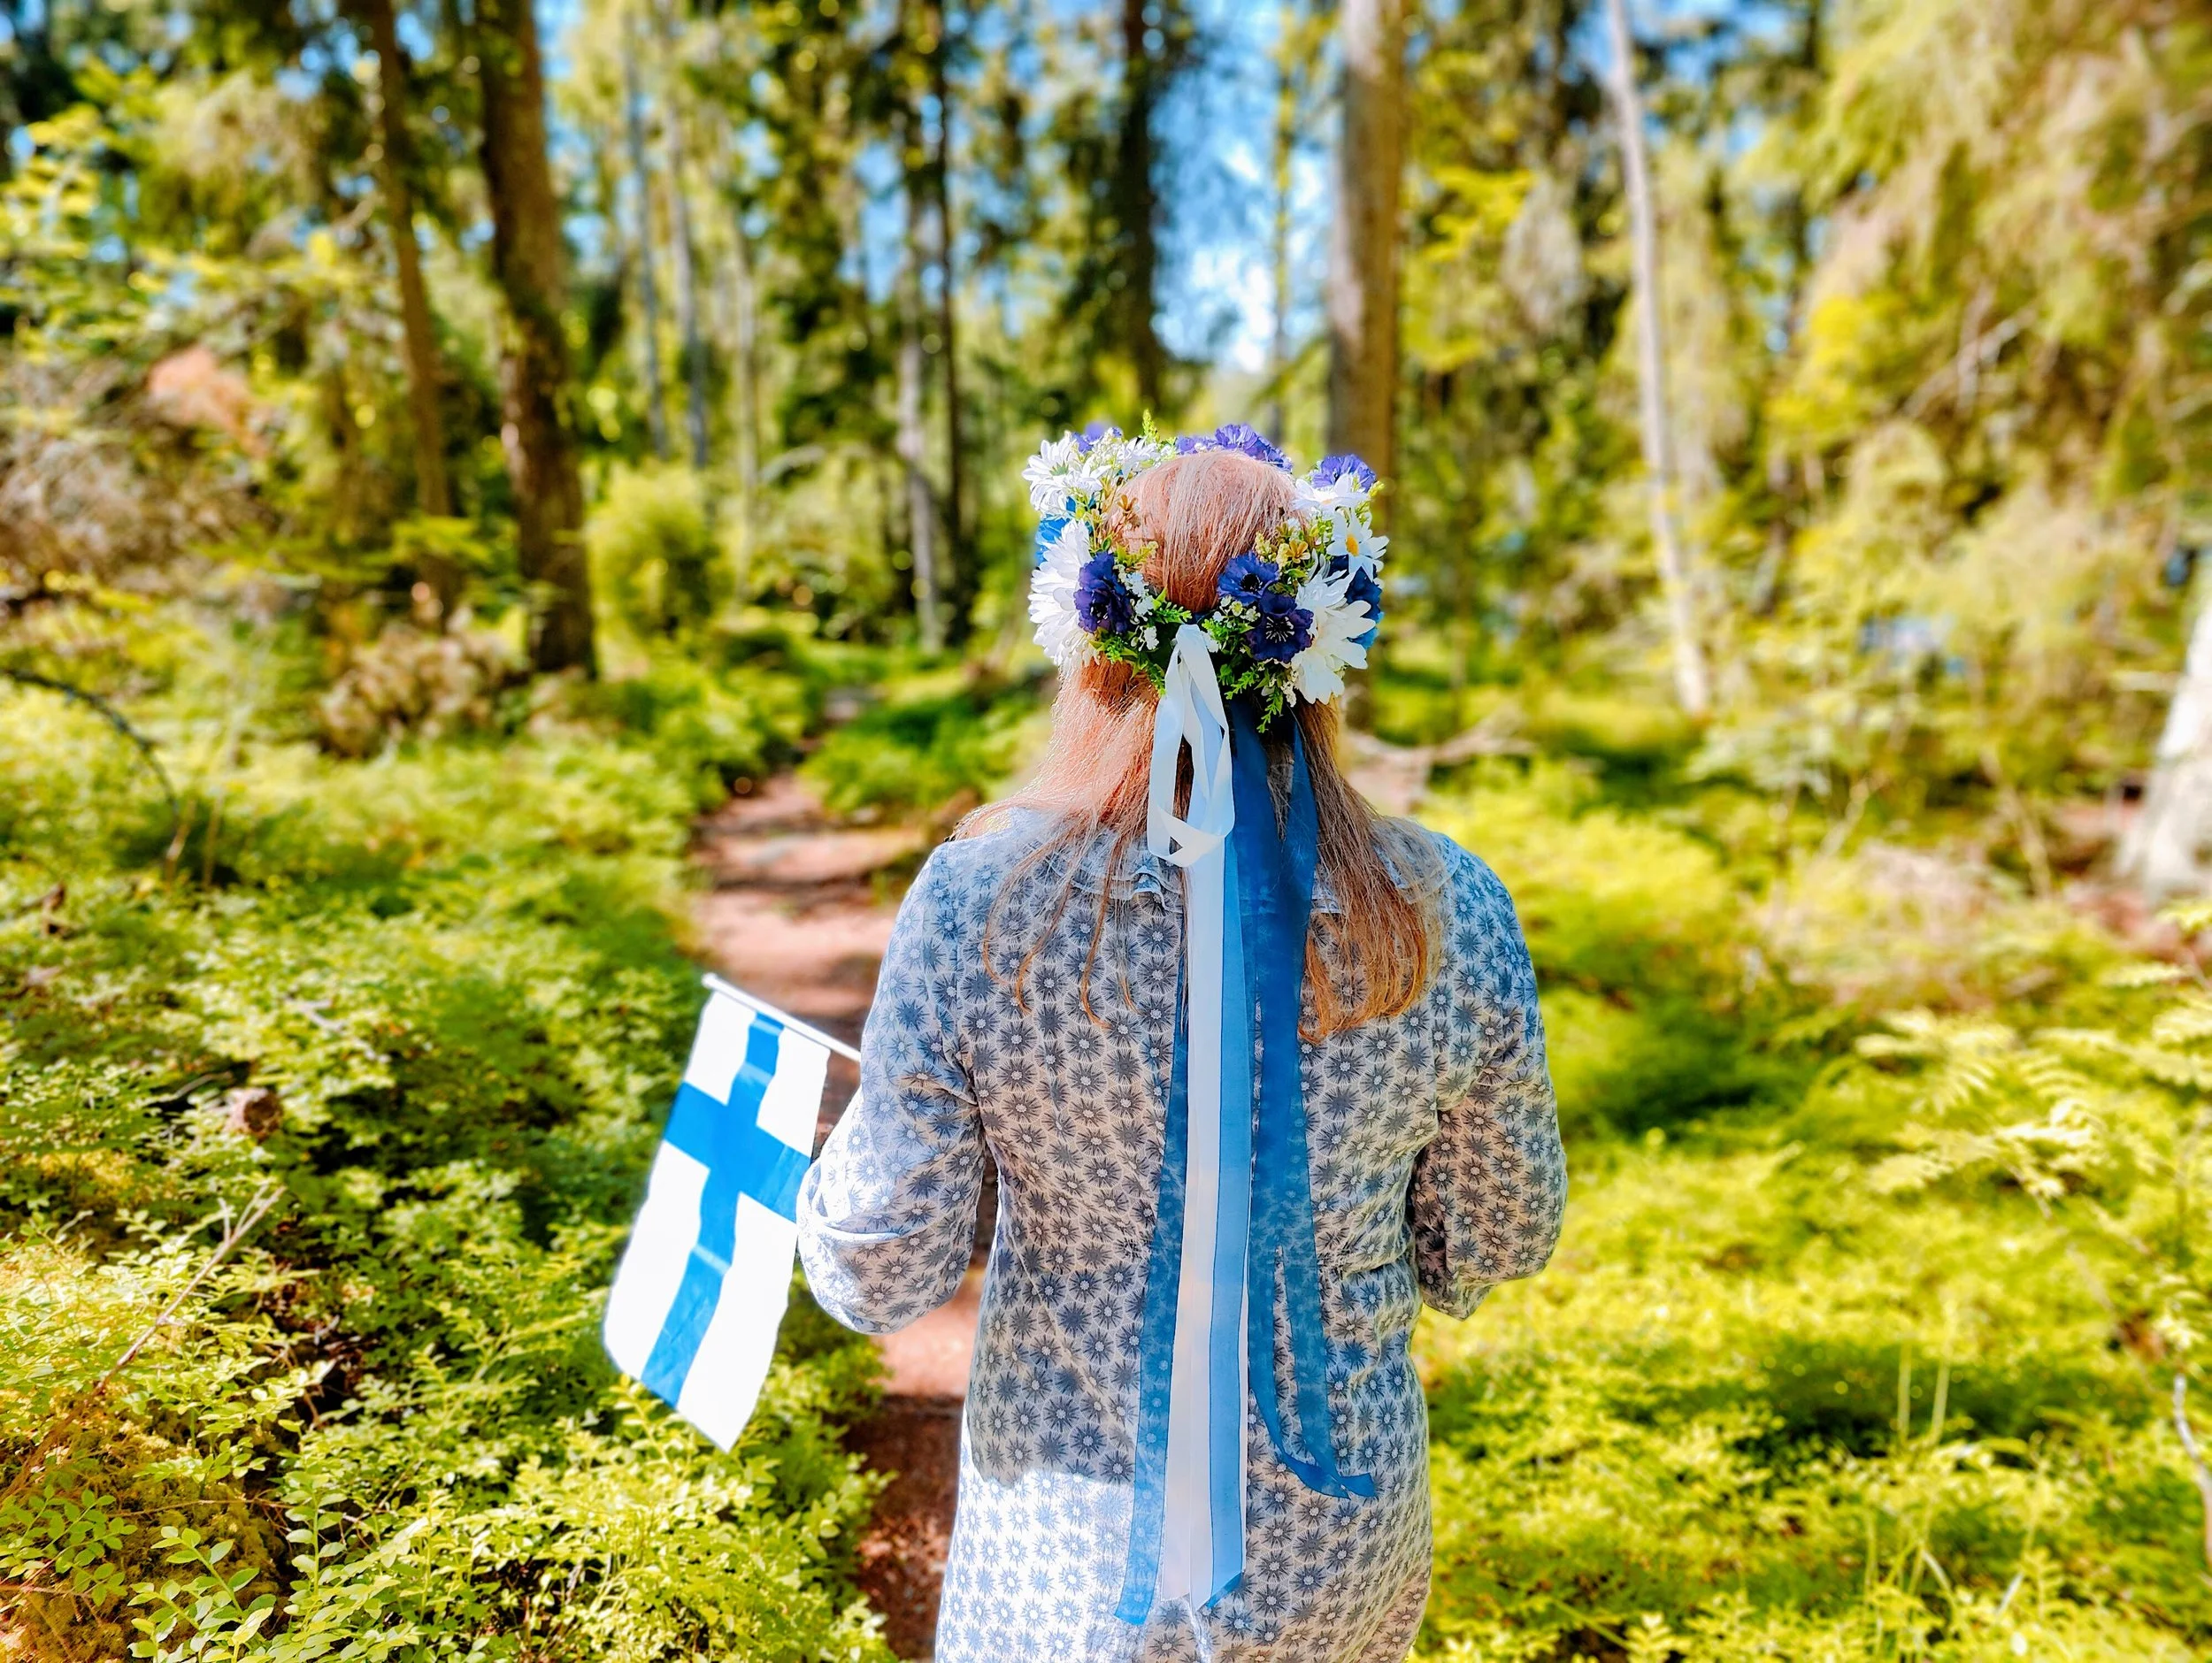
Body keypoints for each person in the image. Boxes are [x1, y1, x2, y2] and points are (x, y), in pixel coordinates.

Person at [797, 426, 1566, 1663]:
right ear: (1319, 647)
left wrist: (855, 1160)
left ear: (1091, 643)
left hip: (1065, 1574)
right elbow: (1496, 1237)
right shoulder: (1449, 906)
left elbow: (882, 1271)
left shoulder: (978, 901)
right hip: (1341, 1558)